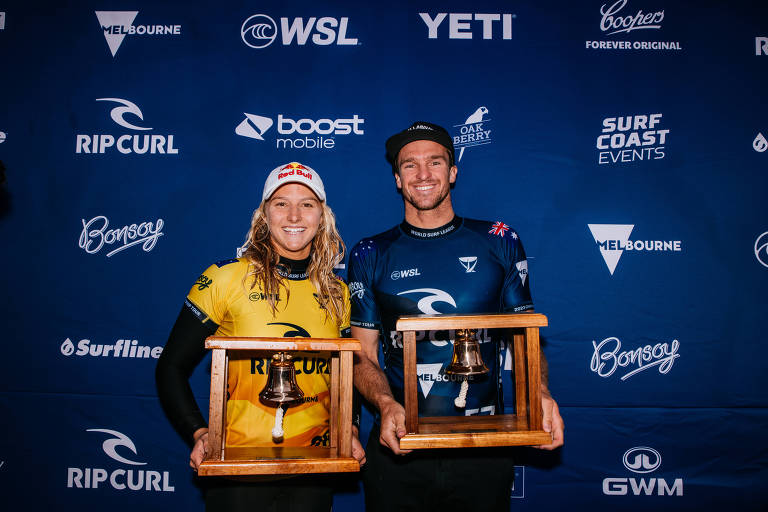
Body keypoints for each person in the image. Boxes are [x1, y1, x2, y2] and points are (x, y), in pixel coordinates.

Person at [348, 122, 564, 511]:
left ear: (452, 171)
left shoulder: (500, 239)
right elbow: (361, 354)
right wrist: (384, 404)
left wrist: (541, 393)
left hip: (483, 446)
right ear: (397, 179)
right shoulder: (369, 253)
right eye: (410, 165)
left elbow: (524, 337)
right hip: (400, 446)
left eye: (435, 162)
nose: (423, 174)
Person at [156, 162, 365, 512]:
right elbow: (171, 368)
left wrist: (353, 430)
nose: (294, 215)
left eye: (307, 204)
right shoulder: (224, 279)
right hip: (239, 471)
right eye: (281, 203)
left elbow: (348, 374)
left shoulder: (336, 292)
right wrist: (199, 433)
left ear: (322, 217)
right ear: (264, 215)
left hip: (313, 468)